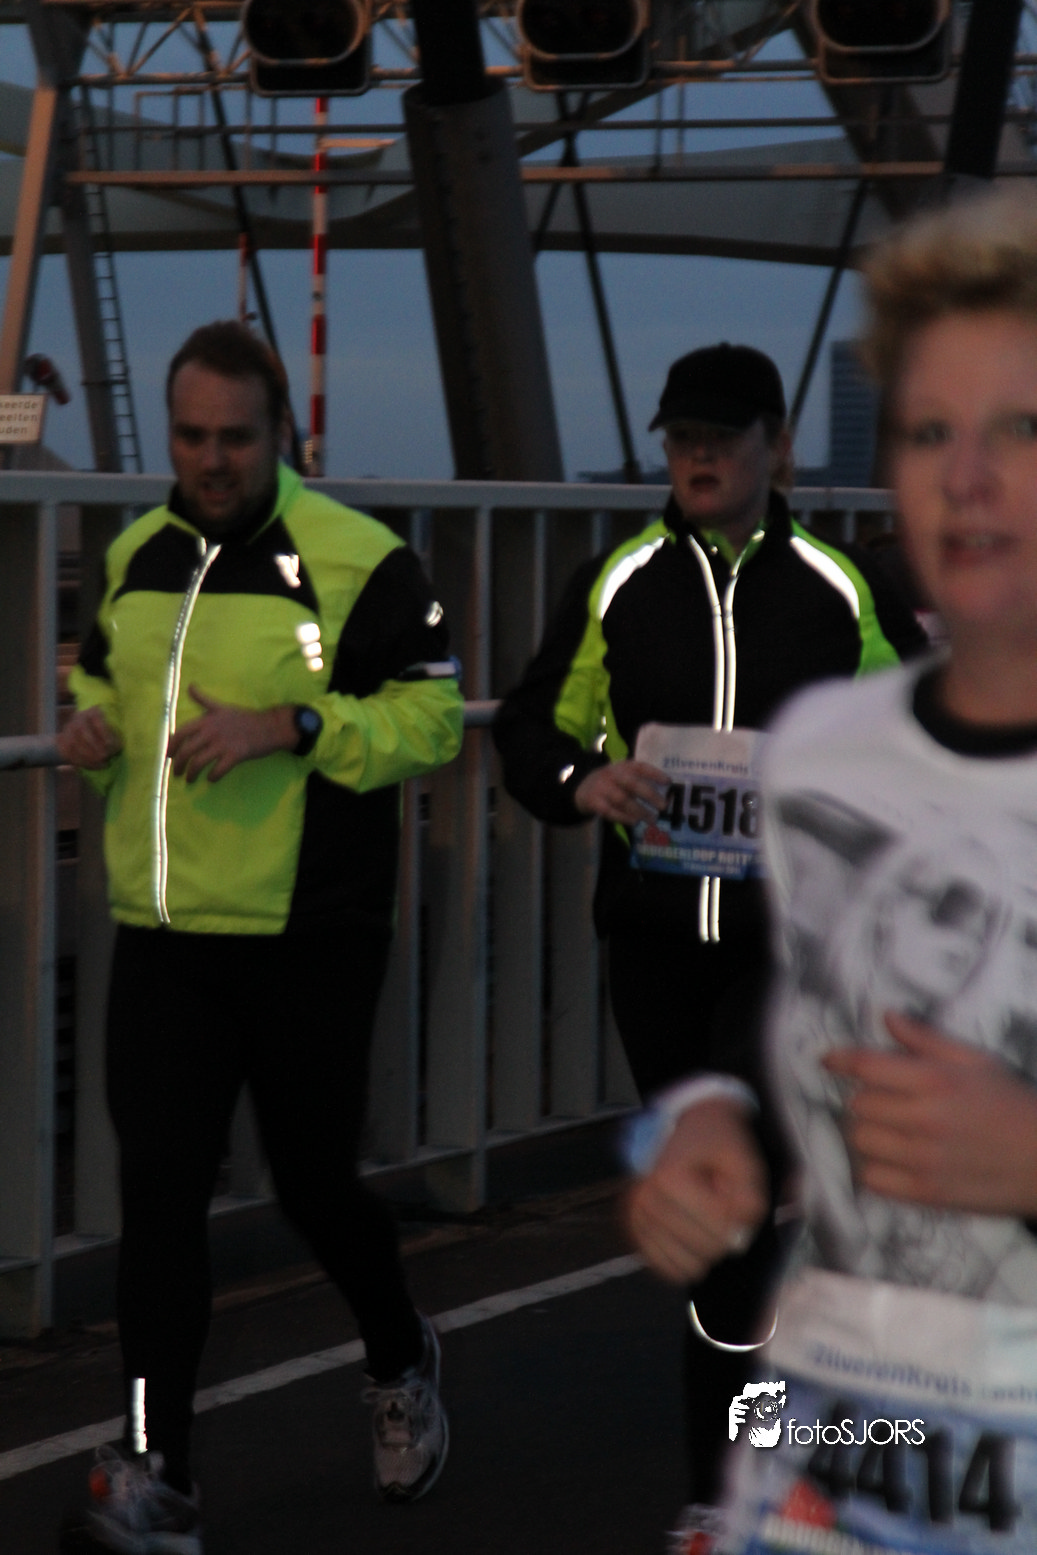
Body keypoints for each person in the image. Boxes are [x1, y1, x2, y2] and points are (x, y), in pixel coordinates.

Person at [626, 185, 1037, 1555]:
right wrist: (710, 1115)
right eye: (926, 431)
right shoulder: (833, 752)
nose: (963, 479)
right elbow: (787, 1002)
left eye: (1017, 429)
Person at [492, 342, 926, 1506]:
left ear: (774, 447)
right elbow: (530, 728)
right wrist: (583, 780)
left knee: (725, 1223)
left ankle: (719, 1497)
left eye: (719, 438)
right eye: (680, 437)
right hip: (653, 952)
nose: (695, 456)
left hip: (786, 961)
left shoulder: (836, 587)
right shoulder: (619, 581)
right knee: (726, 1238)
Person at [56, 321, 463, 1553]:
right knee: (158, 1201)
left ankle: (397, 1353)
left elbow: (432, 720)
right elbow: (97, 680)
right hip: (163, 933)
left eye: (234, 437)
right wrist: (88, 731)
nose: (211, 459)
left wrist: (293, 723)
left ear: (278, 431)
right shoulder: (133, 554)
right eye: (191, 436)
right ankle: (158, 1471)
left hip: (309, 935)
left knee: (312, 1185)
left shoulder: (361, 558)